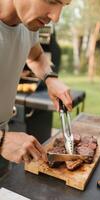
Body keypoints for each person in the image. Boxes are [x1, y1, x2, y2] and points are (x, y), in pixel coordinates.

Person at [0, 0, 72, 165]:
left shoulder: (26, 24)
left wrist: (51, 78)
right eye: (51, 1)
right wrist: (3, 140)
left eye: (63, 5)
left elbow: (36, 56)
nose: (56, 17)